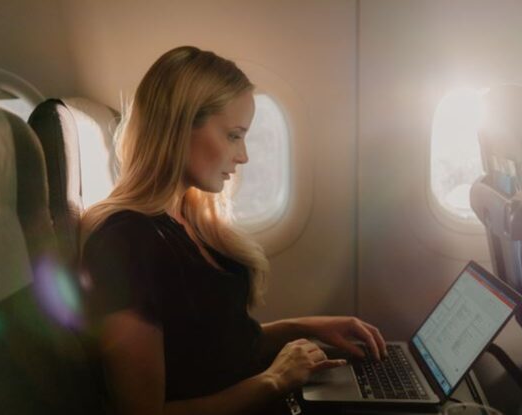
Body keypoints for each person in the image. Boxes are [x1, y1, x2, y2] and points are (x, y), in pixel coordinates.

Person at [80, 45, 387, 415]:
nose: (243, 156)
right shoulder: (126, 242)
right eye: (233, 135)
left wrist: (303, 327)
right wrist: (274, 380)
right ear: (179, 126)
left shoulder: (187, 217)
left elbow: (213, 349)